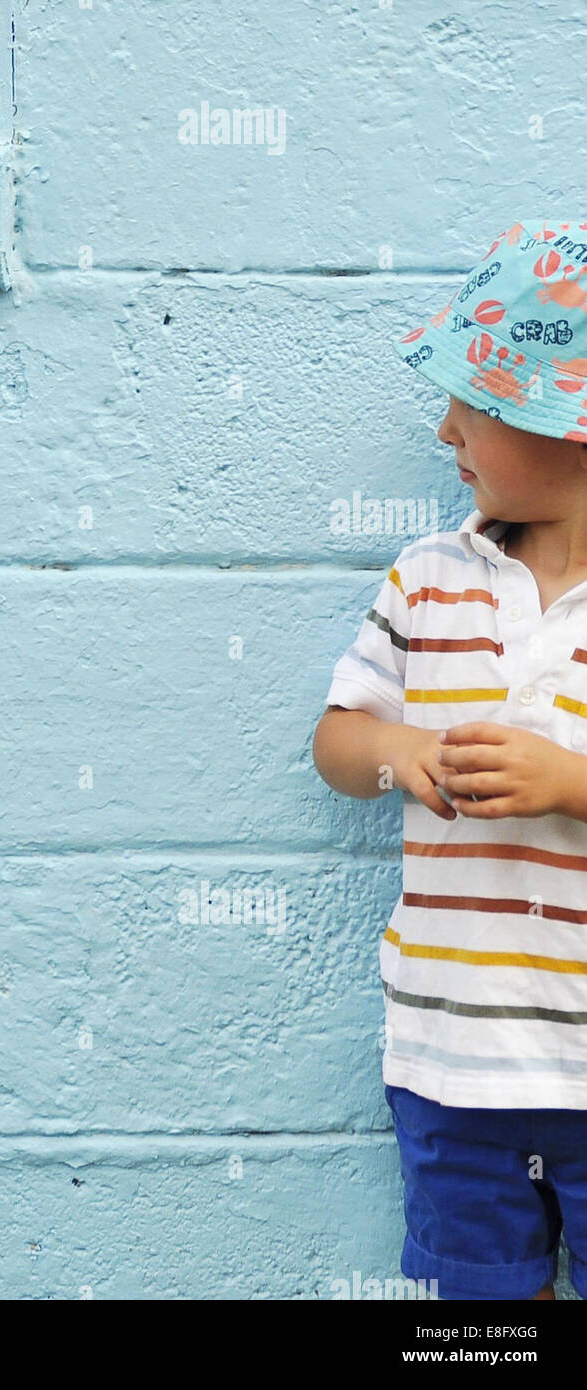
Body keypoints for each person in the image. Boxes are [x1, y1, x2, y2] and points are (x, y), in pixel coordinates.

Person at [313, 220, 587, 1301]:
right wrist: (400, 751)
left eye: (473, 407)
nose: (443, 429)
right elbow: (337, 743)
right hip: (452, 1063)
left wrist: (568, 784)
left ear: (567, 427)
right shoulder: (429, 577)